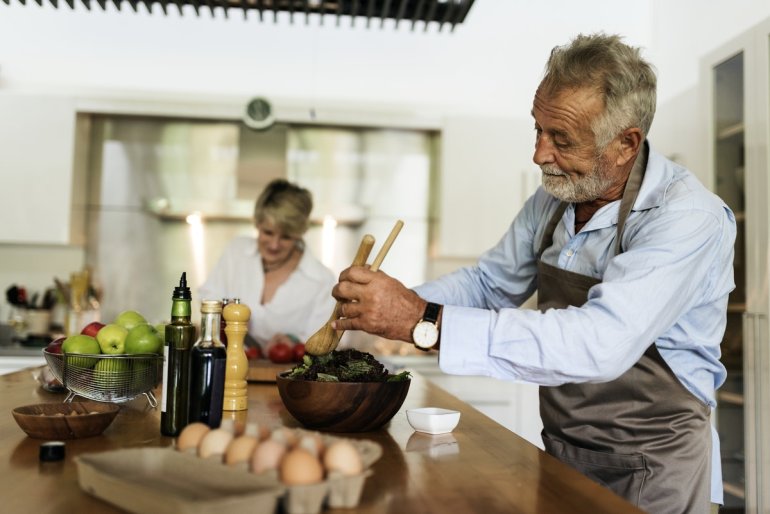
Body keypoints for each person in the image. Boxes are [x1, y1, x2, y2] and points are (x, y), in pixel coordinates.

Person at [330, 33, 735, 514]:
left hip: (655, 470)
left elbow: (599, 343)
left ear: (626, 143)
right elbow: (488, 285)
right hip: (564, 451)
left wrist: (423, 320)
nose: (539, 154)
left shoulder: (687, 218)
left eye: (561, 138)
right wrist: (387, 305)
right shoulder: (556, 197)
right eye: (537, 130)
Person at [199, 179, 336, 350]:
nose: (274, 245)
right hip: (228, 366)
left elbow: (325, 340)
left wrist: (293, 341)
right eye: (268, 232)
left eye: (286, 237)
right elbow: (207, 298)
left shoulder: (322, 280)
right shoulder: (236, 252)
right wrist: (223, 313)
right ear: (257, 223)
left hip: (286, 374)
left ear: (300, 233)